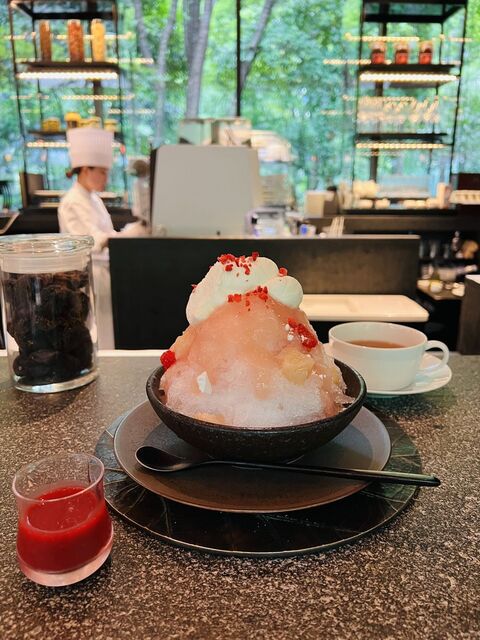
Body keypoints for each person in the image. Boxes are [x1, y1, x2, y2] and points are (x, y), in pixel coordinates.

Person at [58, 127, 146, 348]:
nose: (106, 178)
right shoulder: (71, 201)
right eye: (103, 172)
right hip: (88, 275)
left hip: (104, 272)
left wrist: (129, 232)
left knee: (108, 329)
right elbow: (90, 241)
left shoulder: (94, 198)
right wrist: (128, 234)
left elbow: (106, 233)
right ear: (85, 169)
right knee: (95, 331)